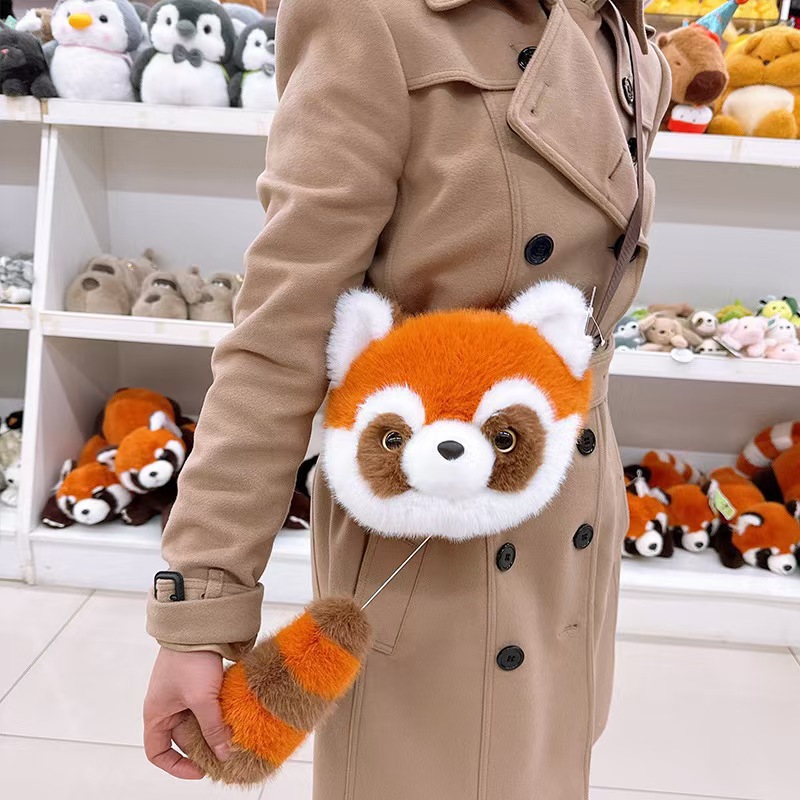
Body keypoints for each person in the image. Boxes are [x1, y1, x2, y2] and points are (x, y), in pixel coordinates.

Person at [144, 0, 671, 797]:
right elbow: (282, 330)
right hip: (432, 522)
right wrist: (203, 605)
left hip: (568, 492)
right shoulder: (369, 18)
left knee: (547, 762)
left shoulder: (608, 17)